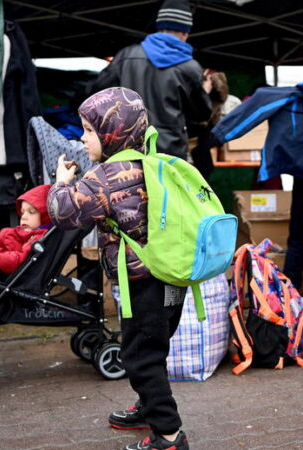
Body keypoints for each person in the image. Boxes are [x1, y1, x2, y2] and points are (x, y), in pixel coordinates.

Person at [47, 87, 189, 450]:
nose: (82, 137)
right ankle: (147, 408)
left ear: (114, 132)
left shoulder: (107, 175)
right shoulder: (155, 161)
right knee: (151, 348)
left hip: (142, 283)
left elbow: (64, 213)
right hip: (171, 279)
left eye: (89, 130)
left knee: (140, 357)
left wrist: (61, 183)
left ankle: (168, 436)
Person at [211, 28, 303, 330]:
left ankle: (287, 301)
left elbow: (257, 105)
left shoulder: (297, 92)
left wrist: (216, 137)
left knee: (298, 237)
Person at [88, 0, 212, 159]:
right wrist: (205, 93)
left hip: (128, 145)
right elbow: (201, 114)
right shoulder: (189, 67)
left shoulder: (127, 56)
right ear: (185, 32)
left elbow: (98, 93)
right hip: (170, 150)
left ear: (159, 27)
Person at [0, 184, 52, 276]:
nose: (24, 217)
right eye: (22, 212)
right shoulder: (24, 232)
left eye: (31, 212)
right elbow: (4, 243)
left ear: (45, 215)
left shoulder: (37, 238)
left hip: (4, 268)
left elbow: (19, 260)